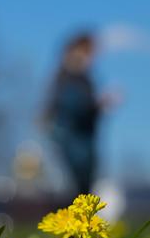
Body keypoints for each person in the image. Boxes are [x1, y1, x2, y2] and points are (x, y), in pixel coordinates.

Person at [42, 32, 115, 196]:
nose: (92, 59)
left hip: (79, 145)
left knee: (81, 190)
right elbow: (74, 109)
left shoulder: (79, 78)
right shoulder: (70, 78)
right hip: (74, 146)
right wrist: (98, 104)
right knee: (76, 191)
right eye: (89, 52)